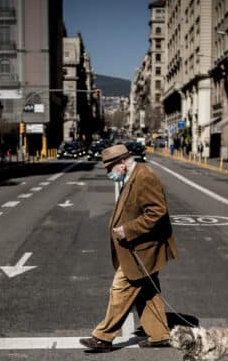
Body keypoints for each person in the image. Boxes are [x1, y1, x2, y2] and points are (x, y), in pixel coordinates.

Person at [79, 144, 178, 352]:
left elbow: (157, 212)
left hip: (143, 249)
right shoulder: (131, 176)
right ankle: (160, 335)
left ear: (122, 163)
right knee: (147, 292)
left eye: (110, 168)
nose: (108, 173)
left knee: (120, 289)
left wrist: (129, 229)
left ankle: (103, 337)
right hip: (137, 248)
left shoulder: (144, 177)